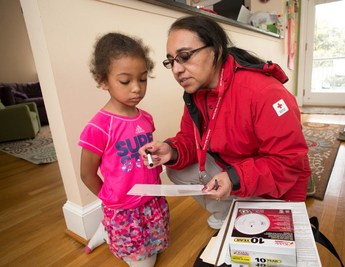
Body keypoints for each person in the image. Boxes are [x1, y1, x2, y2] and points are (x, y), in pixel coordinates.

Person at [139, 15, 311, 230]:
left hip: (277, 185)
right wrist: (171, 151)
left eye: (184, 56)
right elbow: (191, 139)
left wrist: (234, 178)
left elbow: (287, 162)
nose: (176, 70)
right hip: (231, 168)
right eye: (171, 61)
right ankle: (227, 214)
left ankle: (249, 210)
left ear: (216, 49)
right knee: (176, 170)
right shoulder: (195, 92)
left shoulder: (266, 93)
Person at [79, 32, 169, 267]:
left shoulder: (146, 118)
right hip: (124, 208)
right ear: (103, 80)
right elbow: (87, 174)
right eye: (125, 81)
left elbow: (146, 157)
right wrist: (110, 201)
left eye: (143, 79)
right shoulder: (98, 127)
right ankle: (108, 228)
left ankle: (105, 230)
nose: (137, 89)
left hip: (151, 199)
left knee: (155, 244)